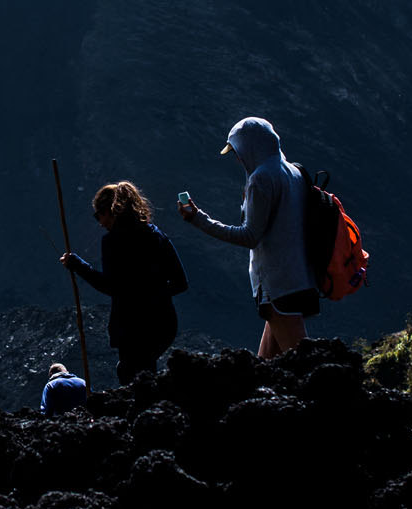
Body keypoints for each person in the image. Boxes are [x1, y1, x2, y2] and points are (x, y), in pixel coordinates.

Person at [179, 116, 318, 359]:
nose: (237, 158)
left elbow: (249, 236)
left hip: (277, 286)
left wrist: (198, 219)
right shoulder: (294, 172)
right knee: (264, 370)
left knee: (303, 367)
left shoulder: (261, 179)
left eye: (237, 151)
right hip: (299, 280)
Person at [60, 181, 188, 383]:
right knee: (144, 372)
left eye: (98, 215)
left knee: (130, 375)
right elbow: (181, 282)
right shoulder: (156, 235)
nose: (100, 223)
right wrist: (155, 296)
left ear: (109, 211)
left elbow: (110, 286)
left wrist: (76, 265)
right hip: (163, 322)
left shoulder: (113, 242)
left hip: (132, 326)